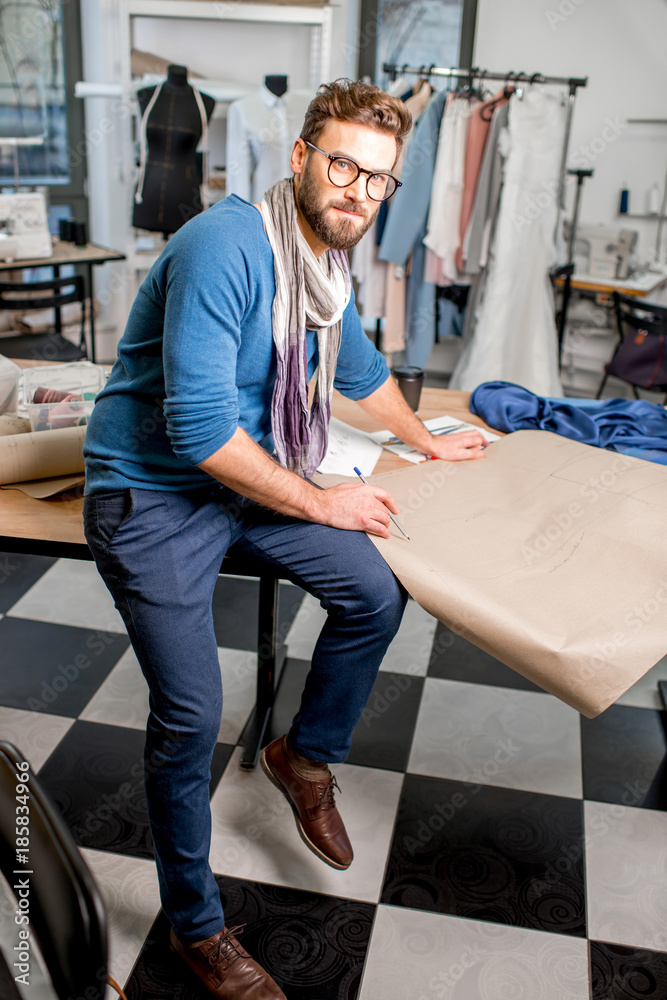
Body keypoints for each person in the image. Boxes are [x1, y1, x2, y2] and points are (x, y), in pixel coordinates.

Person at [83, 78, 486, 1000]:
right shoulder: (227, 247)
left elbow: (356, 369)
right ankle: (195, 927)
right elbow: (195, 431)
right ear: (302, 159)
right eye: (342, 164)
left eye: (377, 180)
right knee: (190, 715)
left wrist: (427, 442)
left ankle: (300, 755)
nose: (357, 190)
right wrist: (320, 501)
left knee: (373, 594)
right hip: (152, 492)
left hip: (250, 473)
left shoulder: (326, 262)